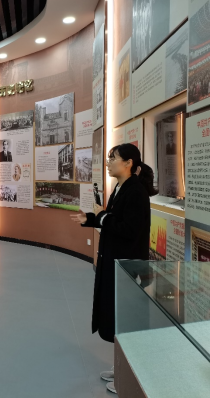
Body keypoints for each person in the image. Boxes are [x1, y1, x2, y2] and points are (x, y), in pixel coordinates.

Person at [70, 143, 155, 395]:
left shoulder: (136, 191)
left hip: (127, 267)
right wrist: (91, 218)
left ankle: (127, 377)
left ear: (128, 163)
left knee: (125, 321)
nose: (108, 162)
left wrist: (102, 217)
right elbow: (113, 220)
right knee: (116, 317)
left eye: (113, 158)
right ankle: (120, 367)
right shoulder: (120, 187)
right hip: (114, 263)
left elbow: (128, 229)